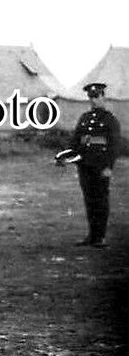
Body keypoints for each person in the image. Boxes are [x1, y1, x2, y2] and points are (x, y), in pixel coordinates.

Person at [70, 82, 120, 248]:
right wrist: (68, 157)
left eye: (96, 97)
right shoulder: (84, 118)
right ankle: (92, 235)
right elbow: (76, 141)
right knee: (89, 200)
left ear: (103, 97)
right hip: (85, 165)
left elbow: (114, 146)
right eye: (91, 97)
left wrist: (108, 167)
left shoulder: (110, 119)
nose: (93, 100)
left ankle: (100, 236)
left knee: (101, 200)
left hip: (101, 165)